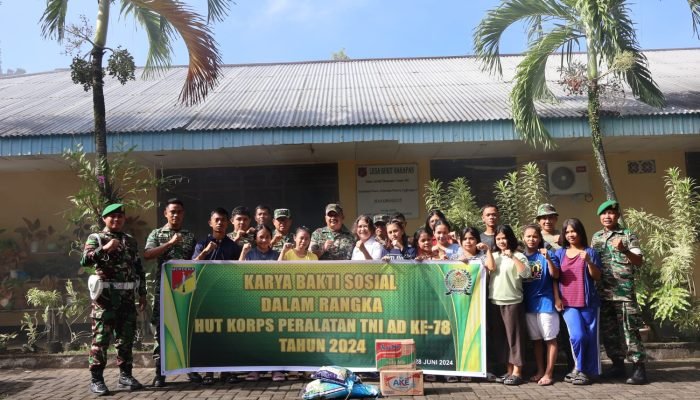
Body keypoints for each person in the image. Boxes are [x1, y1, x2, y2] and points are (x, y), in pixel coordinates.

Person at [81, 204, 147, 395]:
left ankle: (125, 376)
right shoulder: (96, 238)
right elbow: (85, 260)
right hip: (105, 299)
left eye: (120, 216)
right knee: (101, 340)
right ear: (104, 219)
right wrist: (106, 248)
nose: (116, 220)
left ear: (124, 219)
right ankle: (97, 380)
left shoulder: (130, 241)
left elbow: (138, 268)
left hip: (127, 298)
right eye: (112, 217)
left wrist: (142, 293)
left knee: (125, 339)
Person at [143, 198, 201, 387]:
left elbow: (196, 261)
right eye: (172, 212)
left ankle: (190, 370)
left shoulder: (190, 236)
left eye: (179, 212)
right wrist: (169, 243)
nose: (176, 215)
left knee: (185, 329)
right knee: (161, 332)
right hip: (163, 291)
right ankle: (160, 373)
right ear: (166, 214)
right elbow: (148, 254)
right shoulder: (157, 234)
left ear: (183, 214)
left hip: (185, 290)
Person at [591, 200, 647, 385]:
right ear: (600, 217)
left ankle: (639, 368)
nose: (607, 217)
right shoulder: (596, 237)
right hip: (603, 293)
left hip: (624, 294)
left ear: (617, 215)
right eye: (604, 213)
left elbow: (638, 261)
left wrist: (624, 250)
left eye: (611, 213)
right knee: (610, 332)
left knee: (630, 331)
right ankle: (617, 365)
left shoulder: (628, 235)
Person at [193, 208, 241, 385]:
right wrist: (206, 251)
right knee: (209, 334)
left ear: (228, 223)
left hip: (227, 295)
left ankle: (227, 372)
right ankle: (208, 373)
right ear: (210, 223)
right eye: (217, 220)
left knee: (228, 334)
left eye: (223, 220)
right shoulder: (202, 243)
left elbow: (239, 270)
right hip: (206, 296)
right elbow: (193, 266)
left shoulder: (233, 246)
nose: (220, 223)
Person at [554, 218, 602, 386]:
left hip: (589, 303)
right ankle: (580, 368)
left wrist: (588, 261)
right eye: (567, 232)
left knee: (590, 338)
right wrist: (557, 298)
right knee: (577, 336)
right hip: (568, 304)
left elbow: (597, 276)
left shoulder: (590, 252)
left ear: (580, 232)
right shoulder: (559, 254)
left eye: (573, 231)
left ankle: (588, 372)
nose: (570, 235)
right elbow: (554, 278)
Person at [487, 224, 530, 386]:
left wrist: (512, 256)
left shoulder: (519, 255)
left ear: (510, 238)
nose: (501, 241)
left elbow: (526, 273)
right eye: (498, 238)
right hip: (494, 301)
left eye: (504, 238)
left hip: (513, 302)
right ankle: (509, 370)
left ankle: (518, 371)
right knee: (502, 339)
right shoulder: (494, 256)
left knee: (515, 338)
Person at [521, 224, 560, 386]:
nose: (531, 239)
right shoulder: (521, 257)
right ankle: (540, 370)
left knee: (550, 339)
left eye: (535, 236)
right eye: (528, 236)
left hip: (546, 303)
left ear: (540, 238)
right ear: (523, 238)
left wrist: (548, 259)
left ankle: (549, 373)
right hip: (529, 304)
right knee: (536, 340)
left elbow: (556, 275)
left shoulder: (548, 254)